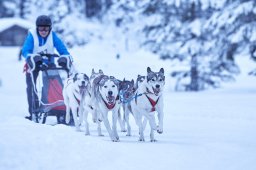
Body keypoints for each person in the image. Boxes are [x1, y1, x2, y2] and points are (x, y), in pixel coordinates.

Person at [22, 15, 72, 122]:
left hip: (49, 65)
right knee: (32, 87)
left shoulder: (53, 36)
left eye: (46, 28)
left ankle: (58, 108)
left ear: (50, 28)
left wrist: (64, 58)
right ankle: (33, 112)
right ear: (37, 28)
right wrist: (32, 57)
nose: (43, 31)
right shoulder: (32, 35)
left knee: (55, 85)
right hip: (33, 65)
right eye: (41, 28)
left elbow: (63, 50)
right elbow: (25, 51)